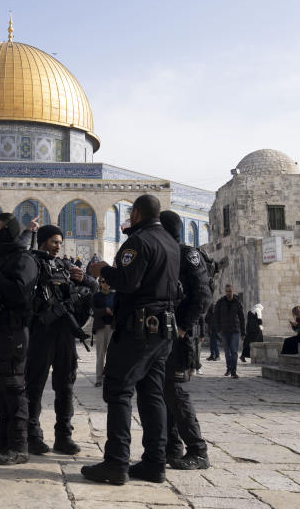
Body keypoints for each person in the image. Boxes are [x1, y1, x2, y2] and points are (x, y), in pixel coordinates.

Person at [81, 194, 180, 485]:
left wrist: (104, 271)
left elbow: (128, 282)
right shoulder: (171, 243)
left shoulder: (139, 242)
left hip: (138, 329)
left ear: (135, 213)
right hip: (163, 330)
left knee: (119, 390)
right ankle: (154, 462)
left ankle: (116, 462)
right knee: (152, 395)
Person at [0, 213, 40, 466]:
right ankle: (3, 439)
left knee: (13, 386)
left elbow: (20, 294)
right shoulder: (1, 259)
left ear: (10, 231)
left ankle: (19, 444)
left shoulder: (23, 259)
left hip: (13, 331)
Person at [26, 224, 96, 456]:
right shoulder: (32, 263)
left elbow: (92, 290)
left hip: (64, 333)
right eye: (54, 241)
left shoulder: (65, 266)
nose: (58, 246)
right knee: (34, 386)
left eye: (60, 242)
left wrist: (84, 279)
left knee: (65, 386)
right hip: (40, 333)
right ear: (43, 241)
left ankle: (63, 436)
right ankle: (32, 435)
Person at [158, 210, 211, 470]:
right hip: (166, 334)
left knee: (176, 392)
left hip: (179, 335)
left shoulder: (188, 254)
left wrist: (184, 327)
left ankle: (198, 451)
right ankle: (173, 448)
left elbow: (203, 295)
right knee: (165, 390)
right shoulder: (167, 253)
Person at [212, 285, 245, 378]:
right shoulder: (221, 302)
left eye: (230, 291)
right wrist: (218, 328)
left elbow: (242, 318)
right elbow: (215, 316)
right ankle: (229, 368)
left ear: (233, 291)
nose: (228, 293)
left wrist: (243, 332)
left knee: (234, 351)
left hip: (235, 330)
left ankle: (233, 371)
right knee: (227, 352)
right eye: (226, 291)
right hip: (225, 331)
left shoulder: (237, 302)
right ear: (225, 292)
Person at [92, 279, 115, 387]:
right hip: (101, 327)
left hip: (112, 327)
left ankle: (110, 377)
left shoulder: (115, 295)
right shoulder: (96, 296)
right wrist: (105, 310)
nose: (106, 283)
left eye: (108, 281)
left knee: (112, 354)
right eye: (103, 281)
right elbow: (92, 311)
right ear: (100, 283)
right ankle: (99, 378)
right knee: (100, 354)